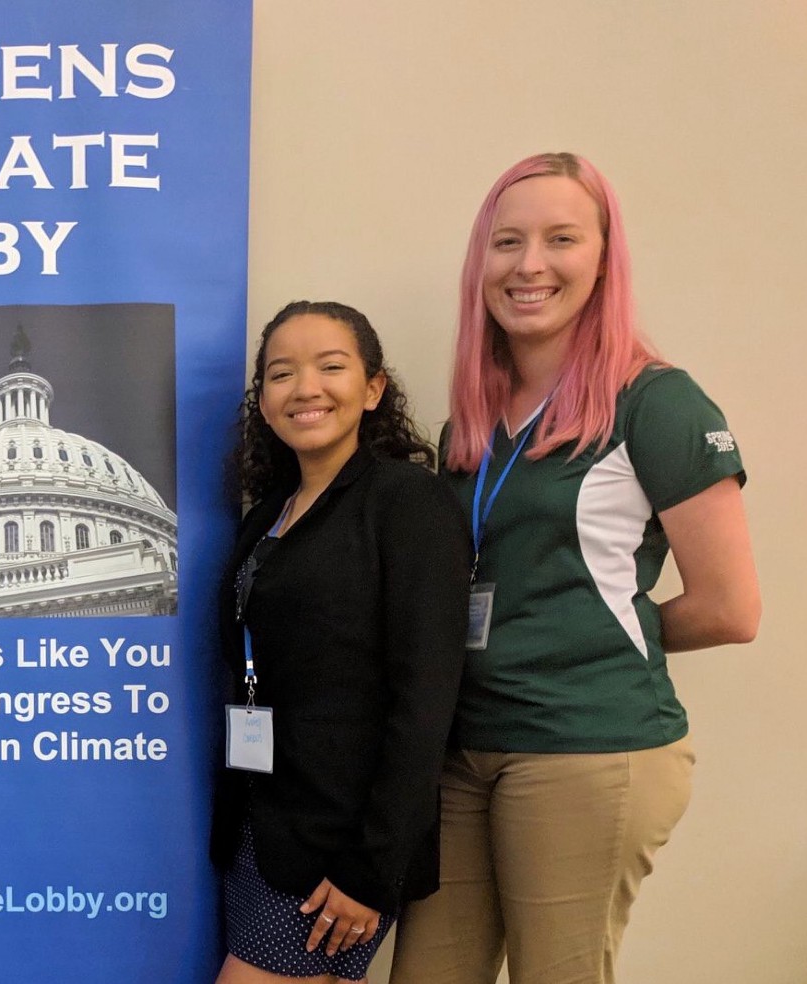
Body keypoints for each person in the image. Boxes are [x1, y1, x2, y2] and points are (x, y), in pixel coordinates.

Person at [390, 153, 760, 984]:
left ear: (603, 258)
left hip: (585, 749)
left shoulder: (657, 402)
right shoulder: (473, 423)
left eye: (561, 239)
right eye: (506, 242)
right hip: (464, 749)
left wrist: (577, 637)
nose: (529, 265)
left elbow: (731, 607)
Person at [214, 301, 472, 984]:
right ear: (263, 401)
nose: (305, 389)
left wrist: (372, 867)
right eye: (281, 373)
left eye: (331, 367)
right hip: (263, 826)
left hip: (341, 845)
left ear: (373, 388)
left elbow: (426, 695)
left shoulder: (407, 502)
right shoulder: (271, 512)